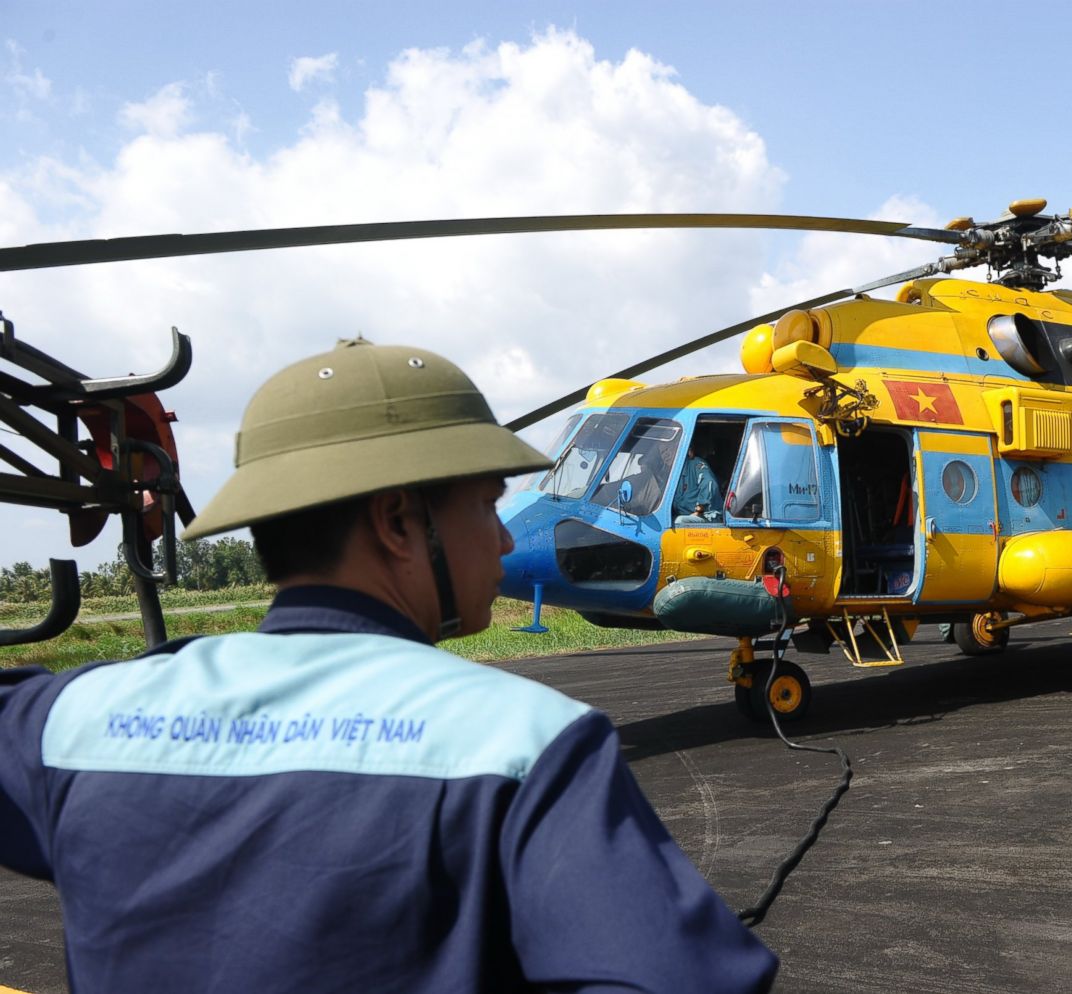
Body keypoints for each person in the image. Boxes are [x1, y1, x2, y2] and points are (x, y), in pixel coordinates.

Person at [0, 339, 777, 992]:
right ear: (399, 521)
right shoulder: (525, 742)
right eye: (485, 505)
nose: (505, 541)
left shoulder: (66, 721)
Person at [672, 443, 724, 522]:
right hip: (686, 514)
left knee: (680, 521)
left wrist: (699, 511)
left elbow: (709, 483)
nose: (666, 454)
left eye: (668, 450)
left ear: (688, 451)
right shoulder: (672, 473)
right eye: (662, 452)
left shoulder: (696, 464)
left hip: (706, 515)